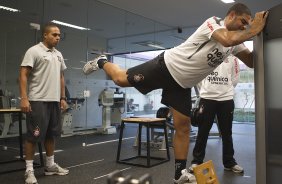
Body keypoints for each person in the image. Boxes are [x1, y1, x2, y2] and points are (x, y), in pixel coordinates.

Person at [83, 3, 268, 183]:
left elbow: (251, 62)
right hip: (165, 67)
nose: (245, 26)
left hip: (182, 84)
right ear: (232, 15)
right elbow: (227, 39)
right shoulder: (213, 23)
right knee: (120, 80)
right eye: (243, 21)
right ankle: (102, 61)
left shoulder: (235, 44)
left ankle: (180, 174)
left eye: (248, 24)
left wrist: (263, 36)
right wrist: (254, 29)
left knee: (184, 126)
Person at [19, 22, 69, 184]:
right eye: (54, 35)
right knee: (33, 136)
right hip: (37, 100)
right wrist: (24, 98)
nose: (57, 38)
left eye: (59, 35)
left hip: (54, 101)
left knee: (51, 134)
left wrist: (62, 97)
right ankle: (29, 171)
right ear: (45, 35)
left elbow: (61, 77)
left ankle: (50, 166)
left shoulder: (59, 54)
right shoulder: (34, 51)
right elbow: (23, 75)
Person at [189, 55, 243, 174]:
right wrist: (206, 89)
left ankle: (229, 162)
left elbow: (235, 79)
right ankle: (197, 161)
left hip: (226, 99)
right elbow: (199, 75)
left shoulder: (233, 58)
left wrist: (224, 89)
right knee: (203, 131)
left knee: (226, 133)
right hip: (207, 98)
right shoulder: (207, 54)